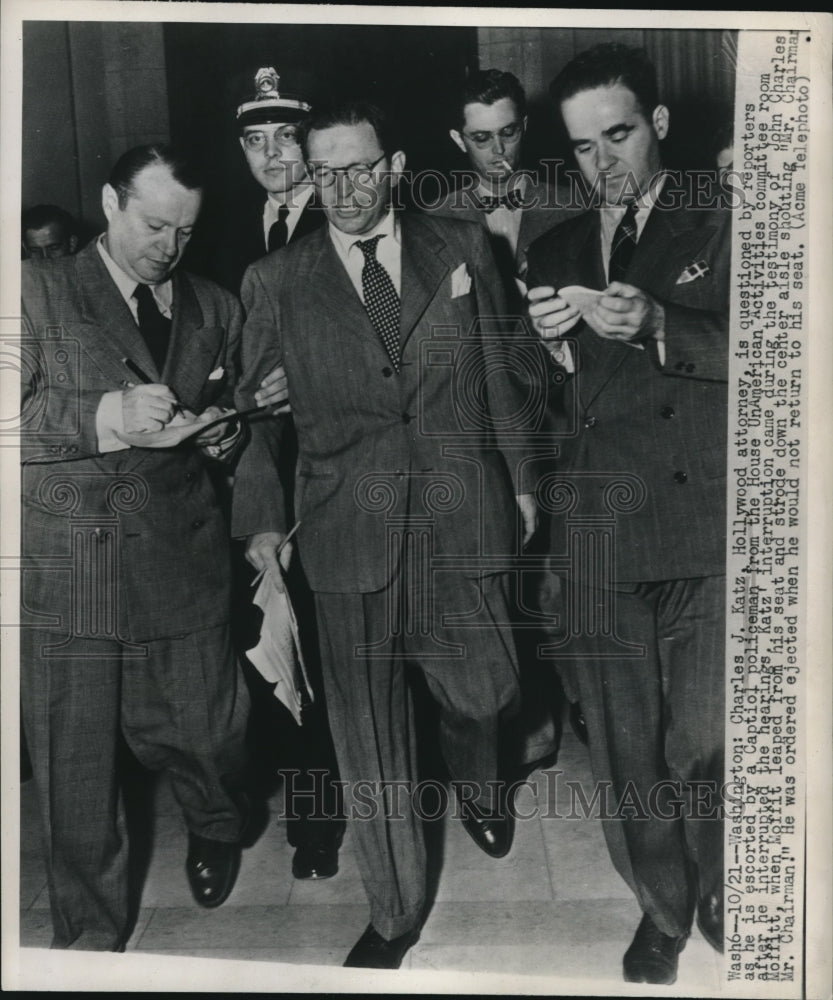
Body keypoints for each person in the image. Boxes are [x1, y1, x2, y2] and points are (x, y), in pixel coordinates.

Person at [232, 100, 537, 969]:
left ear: (395, 164)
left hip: (459, 508)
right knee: (368, 743)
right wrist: (259, 522)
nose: (346, 187)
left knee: (486, 693)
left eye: (360, 167)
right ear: (307, 172)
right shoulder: (276, 282)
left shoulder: (462, 247)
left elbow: (503, 372)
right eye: (326, 171)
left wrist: (520, 484)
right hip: (345, 531)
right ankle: (394, 912)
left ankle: (480, 779)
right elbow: (257, 421)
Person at [525, 44, 729, 985]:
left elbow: (785, 355)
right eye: (579, 147)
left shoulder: (724, 216)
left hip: (698, 526)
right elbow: (542, 405)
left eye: (617, 134)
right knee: (623, 744)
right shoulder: (553, 244)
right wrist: (551, 361)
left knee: (702, 741)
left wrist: (656, 328)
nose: (601, 163)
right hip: (598, 531)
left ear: (659, 123)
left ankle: (723, 882)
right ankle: (661, 908)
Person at [20, 144, 251, 950]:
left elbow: (227, 414)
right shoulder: (33, 291)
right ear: (111, 204)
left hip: (180, 557)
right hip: (71, 568)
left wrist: (224, 441)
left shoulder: (217, 306)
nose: (168, 246)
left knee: (210, 736)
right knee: (74, 771)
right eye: (154, 224)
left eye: (184, 231)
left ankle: (218, 821)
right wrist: (100, 420)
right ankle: (87, 942)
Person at [430, 69, 574, 307]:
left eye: (508, 132)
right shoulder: (434, 219)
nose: (498, 149)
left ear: (524, 127)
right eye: (481, 138)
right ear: (458, 140)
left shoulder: (574, 206)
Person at [200, 66, 326, 293]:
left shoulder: (338, 217)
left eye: (286, 135)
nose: (270, 152)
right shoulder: (221, 230)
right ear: (242, 147)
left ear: (311, 142)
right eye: (256, 139)